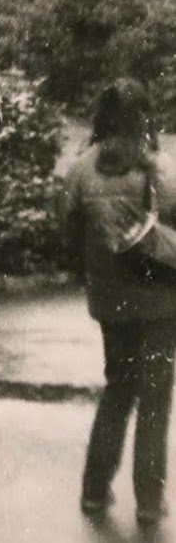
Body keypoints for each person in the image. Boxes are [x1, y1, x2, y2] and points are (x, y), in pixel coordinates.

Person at [62, 78, 176, 526]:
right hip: (161, 301)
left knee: (117, 389)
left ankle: (94, 490)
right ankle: (148, 501)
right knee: (155, 401)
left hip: (110, 302)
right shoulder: (159, 167)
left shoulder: (81, 169)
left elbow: (69, 233)